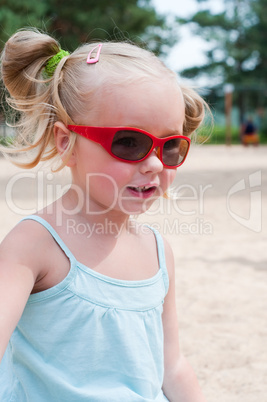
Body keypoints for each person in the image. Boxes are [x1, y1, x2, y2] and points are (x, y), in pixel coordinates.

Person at [0, 28, 208, 401]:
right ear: (67, 142)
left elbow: (171, 366)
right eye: (130, 142)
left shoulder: (158, 252)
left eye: (170, 146)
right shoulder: (34, 245)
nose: (155, 164)